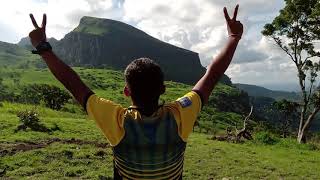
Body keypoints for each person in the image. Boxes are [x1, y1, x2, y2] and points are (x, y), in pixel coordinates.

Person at [28, 4, 243, 180]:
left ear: (126, 92)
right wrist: (233, 37)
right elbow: (212, 75)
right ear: (163, 89)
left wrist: (43, 48)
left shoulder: (117, 120)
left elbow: (73, 83)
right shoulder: (180, 115)